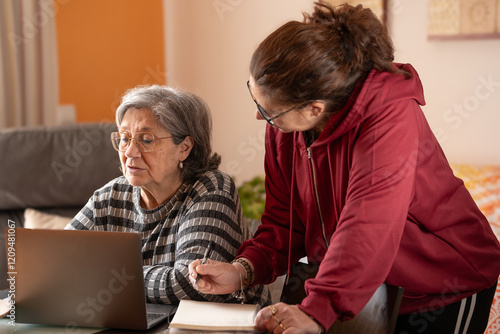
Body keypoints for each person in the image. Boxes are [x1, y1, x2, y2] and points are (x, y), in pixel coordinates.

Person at [188, 2, 500, 333]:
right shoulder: (285, 125)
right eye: (255, 99)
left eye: (267, 111)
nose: (259, 116)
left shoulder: (389, 116)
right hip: (365, 289)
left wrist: (315, 311)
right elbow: (283, 219)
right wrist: (243, 270)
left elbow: (369, 224)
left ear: (313, 108)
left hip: (441, 284)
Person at [66, 85, 271, 306]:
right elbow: (56, 260)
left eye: (146, 140)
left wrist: (99, 277)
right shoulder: (109, 196)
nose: (129, 152)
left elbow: (189, 285)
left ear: (184, 148)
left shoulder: (212, 189)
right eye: (125, 138)